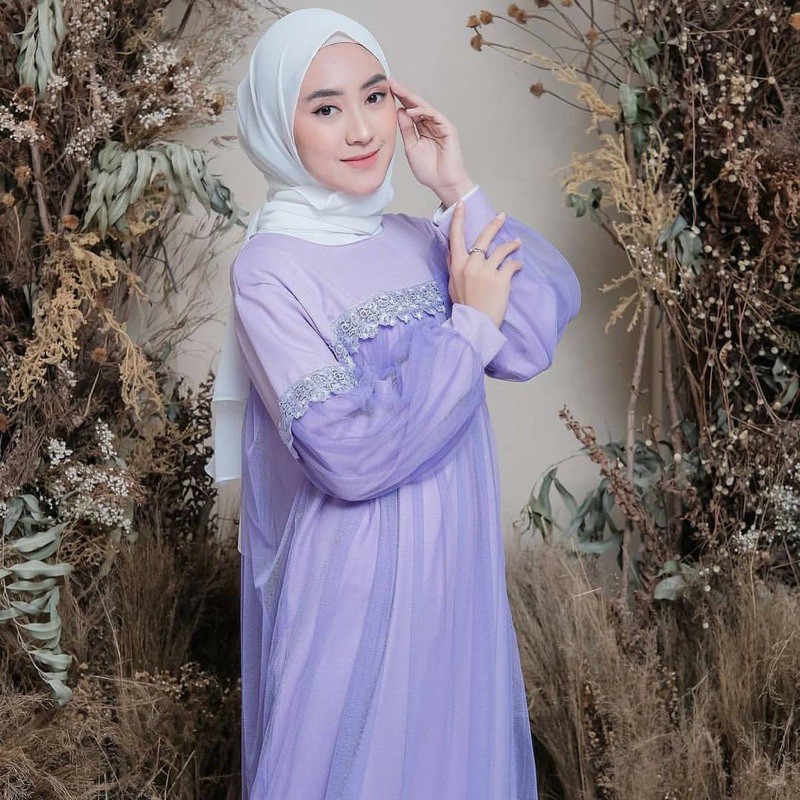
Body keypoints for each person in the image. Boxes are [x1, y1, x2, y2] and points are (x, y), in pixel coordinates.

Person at [206, 7, 581, 798]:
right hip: (355, 585)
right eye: (325, 108)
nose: (361, 130)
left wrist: (456, 187)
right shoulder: (269, 269)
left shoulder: (422, 233)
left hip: (454, 579)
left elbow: (531, 334)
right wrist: (468, 326)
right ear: (278, 127)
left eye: (374, 96)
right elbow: (347, 455)